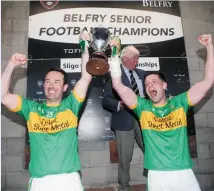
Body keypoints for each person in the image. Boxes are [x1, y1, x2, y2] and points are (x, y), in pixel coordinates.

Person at [108, 34, 214, 190]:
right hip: (157, 175)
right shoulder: (142, 108)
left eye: (154, 82)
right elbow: (118, 85)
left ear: (164, 85)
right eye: (146, 84)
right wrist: (115, 55)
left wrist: (210, 47)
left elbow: (208, 81)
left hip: (183, 172)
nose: (150, 85)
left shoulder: (180, 103)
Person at [1, 31, 92, 191]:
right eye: (48, 81)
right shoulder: (31, 109)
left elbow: (86, 77)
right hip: (40, 182)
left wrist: (84, 49)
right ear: (43, 86)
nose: (51, 85)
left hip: (69, 180)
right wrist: (10, 65)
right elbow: (3, 96)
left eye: (57, 82)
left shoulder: (71, 105)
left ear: (64, 88)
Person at [102, 45, 146, 191]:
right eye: (135, 58)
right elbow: (106, 100)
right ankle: (124, 187)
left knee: (152, 152)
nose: (137, 61)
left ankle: (158, 182)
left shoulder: (144, 74)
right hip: (123, 122)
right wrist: (119, 104)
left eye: (138, 58)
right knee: (124, 160)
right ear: (125, 58)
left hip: (145, 120)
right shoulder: (114, 74)